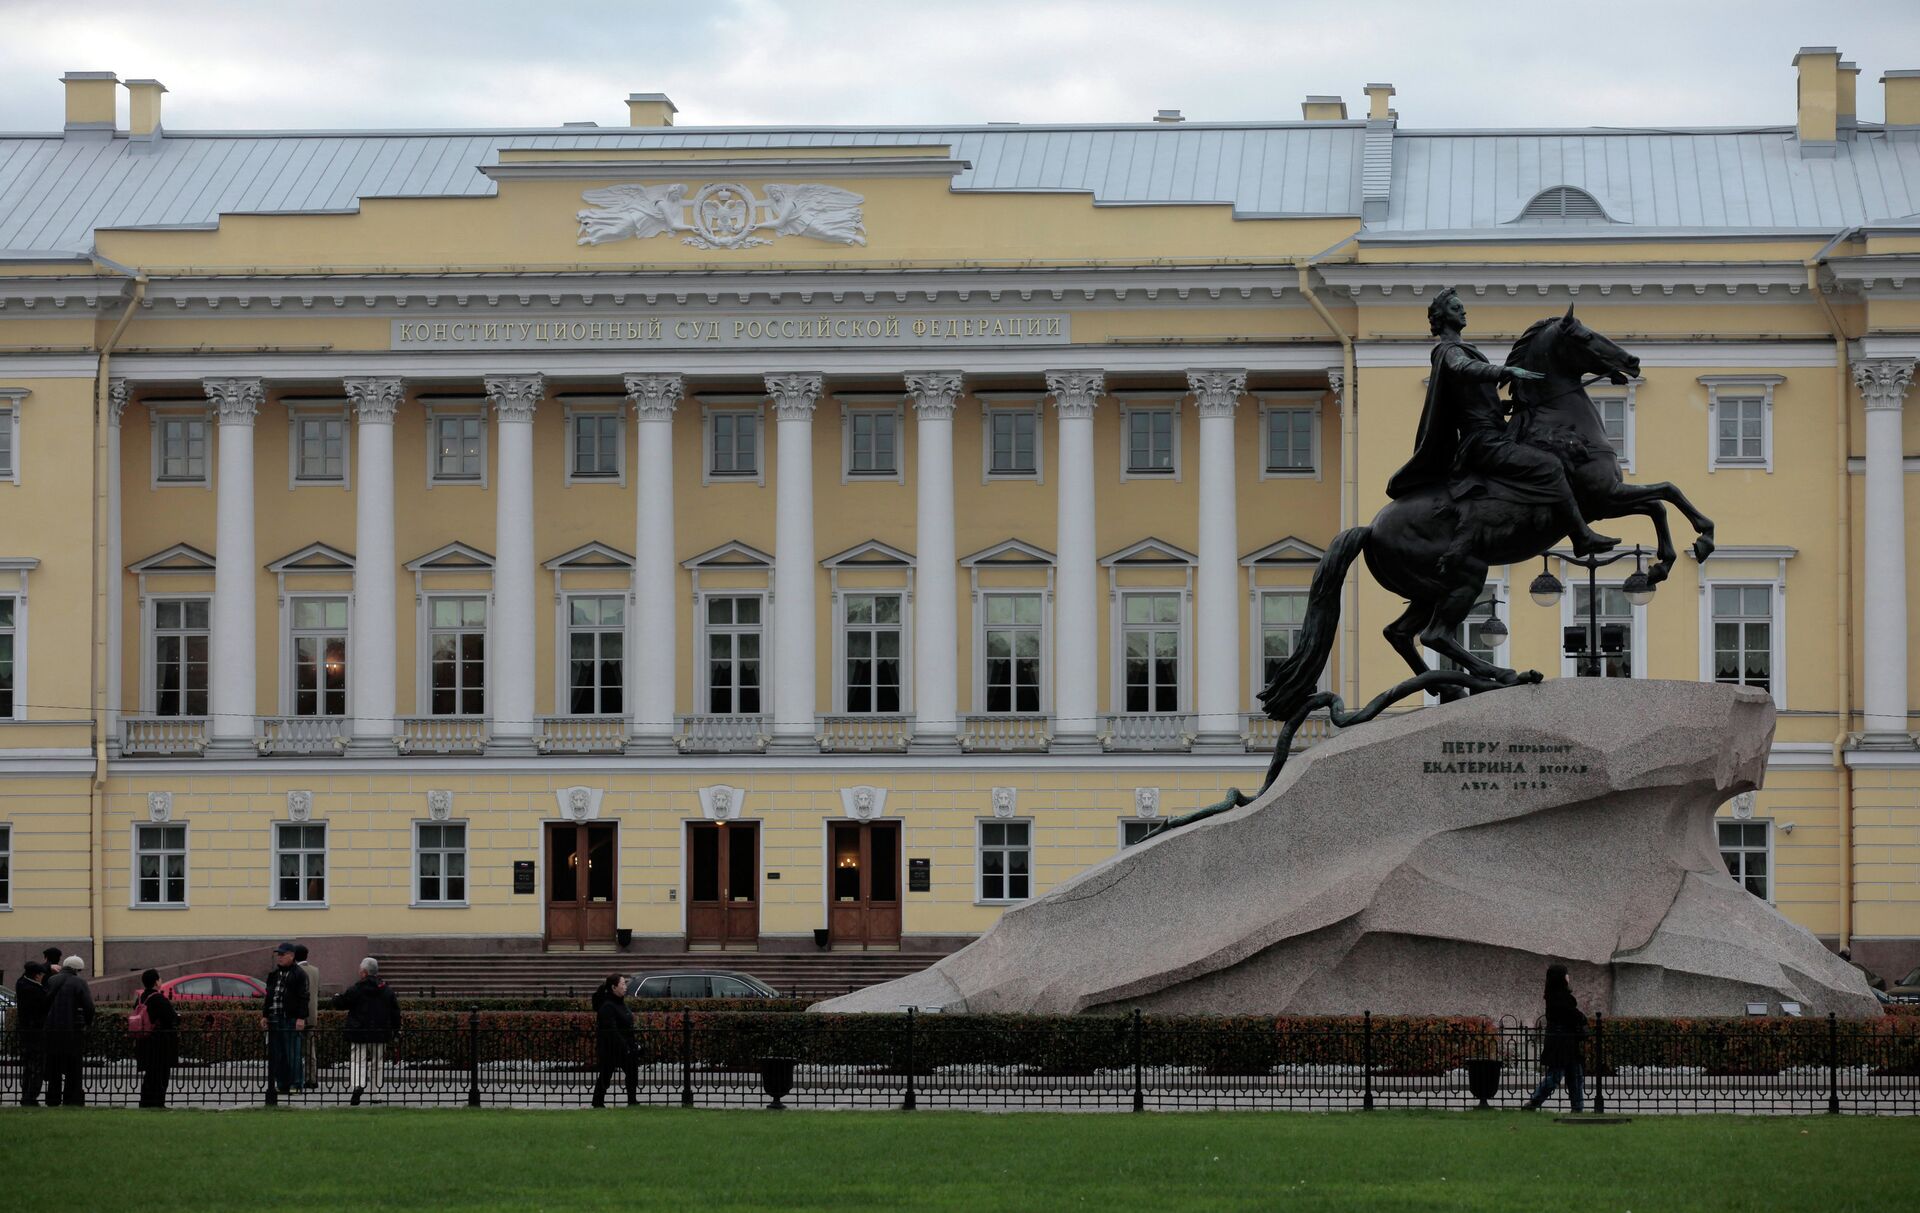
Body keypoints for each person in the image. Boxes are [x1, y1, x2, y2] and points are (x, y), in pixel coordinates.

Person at [1386, 287, 1619, 558]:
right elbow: (1463, 368)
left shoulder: (1465, 349)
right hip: (1484, 442)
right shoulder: (1448, 351)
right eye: (1455, 308)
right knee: (1550, 465)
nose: (1463, 311)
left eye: (1462, 307)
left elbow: (1477, 401)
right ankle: (1581, 535)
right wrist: (1504, 370)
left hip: (1495, 434)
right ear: (1441, 317)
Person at [331, 957, 401, 1106]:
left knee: (358, 1060)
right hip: (380, 1032)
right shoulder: (386, 990)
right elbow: (395, 1012)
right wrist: (396, 1030)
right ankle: (376, 1093)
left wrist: (335, 998)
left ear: (363, 972)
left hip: (359, 1031)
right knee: (377, 1062)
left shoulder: (357, 989)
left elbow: (342, 1002)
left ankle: (358, 1084)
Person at [1523, 964, 1588, 1112]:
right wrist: (1581, 1018)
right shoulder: (1561, 998)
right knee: (1559, 1076)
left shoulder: (1554, 997)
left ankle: (1576, 1108)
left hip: (1564, 1042)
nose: (1568, 977)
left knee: (1573, 1075)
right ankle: (1536, 1101)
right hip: (1562, 1043)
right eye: (1566, 974)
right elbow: (1573, 1016)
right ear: (1561, 978)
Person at [43, 955, 95, 1107]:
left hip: (52, 1030)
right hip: (72, 1031)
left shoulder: (52, 980)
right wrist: (87, 1023)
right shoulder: (79, 982)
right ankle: (72, 1099)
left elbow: (45, 1004)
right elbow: (89, 1007)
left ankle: (52, 1099)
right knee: (73, 1068)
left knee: (54, 1069)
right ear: (77, 969)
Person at [260, 942, 309, 1095]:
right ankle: (282, 1084)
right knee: (278, 1053)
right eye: (278, 955)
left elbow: (303, 997)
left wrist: (301, 1018)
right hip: (275, 1018)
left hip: (290, 1018)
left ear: (291, 956)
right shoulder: (274, 974)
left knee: (292, 1053)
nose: (279, 958)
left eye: (282, 955)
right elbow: (269, 997)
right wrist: (265, 1015)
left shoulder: (299, 974)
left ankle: (296, 1084)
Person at [133, 969, 180, 1109]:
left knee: (149, 1075)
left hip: (144, 1040)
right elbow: (171, 1018)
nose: (161, 980)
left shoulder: (141, 998)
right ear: (155, 982)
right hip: (159, 1043)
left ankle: (146, 1102)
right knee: (160, 1075)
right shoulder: (158, 998)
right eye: (160, 978)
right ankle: (158, 1102)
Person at [590, 973, 637, 1108]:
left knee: (631, 1072)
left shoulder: (619, 1003)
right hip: (610, 1048)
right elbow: (611, 1030)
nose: (625, 987)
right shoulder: (608, 1006)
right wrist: (625, 1045)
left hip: (623, 1047)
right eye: (622, 984)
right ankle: (598, 1102)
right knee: (606, 1075)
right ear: (614, 987)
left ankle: (632, 1100)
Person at [13, 962, 51, 1106]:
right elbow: (46, 1003)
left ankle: (26, 1095)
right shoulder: (35, 990)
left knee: (28, 1067)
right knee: (37, 1066)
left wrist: (46, 967)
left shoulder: (21, 983)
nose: (42, 978)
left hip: (25, 1031)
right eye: (41, 975)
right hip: (35, 1032)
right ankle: (31, 1097)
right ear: (36, 976)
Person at [293, 944, 321, 1089]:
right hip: (312, 1016)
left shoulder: (295, 971)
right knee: (311, 1051)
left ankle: (297, 1078)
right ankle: (312, 1079)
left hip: (298, 1016)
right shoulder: (315, 970)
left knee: (296, 1049)